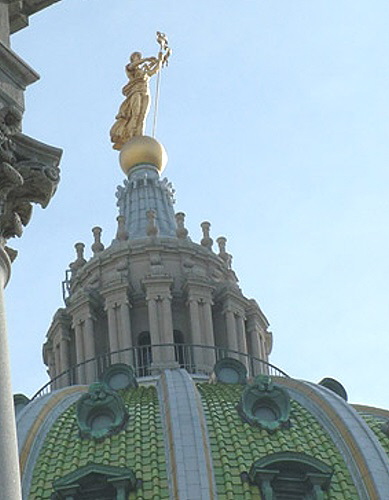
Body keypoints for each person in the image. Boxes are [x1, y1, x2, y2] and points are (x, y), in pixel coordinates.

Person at [110, 51, 164, 150]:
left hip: (145, 92)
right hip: (135, 92)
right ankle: (130, 136)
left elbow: (154, 71)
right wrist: (146, 59)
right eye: (136, 57)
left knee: (142, 116)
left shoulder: (144, 72)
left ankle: (139, 137)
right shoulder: (131, 70)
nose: (138, 58)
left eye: (139, 56)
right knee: (135, 114)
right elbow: (133, 65)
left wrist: (160, 60)